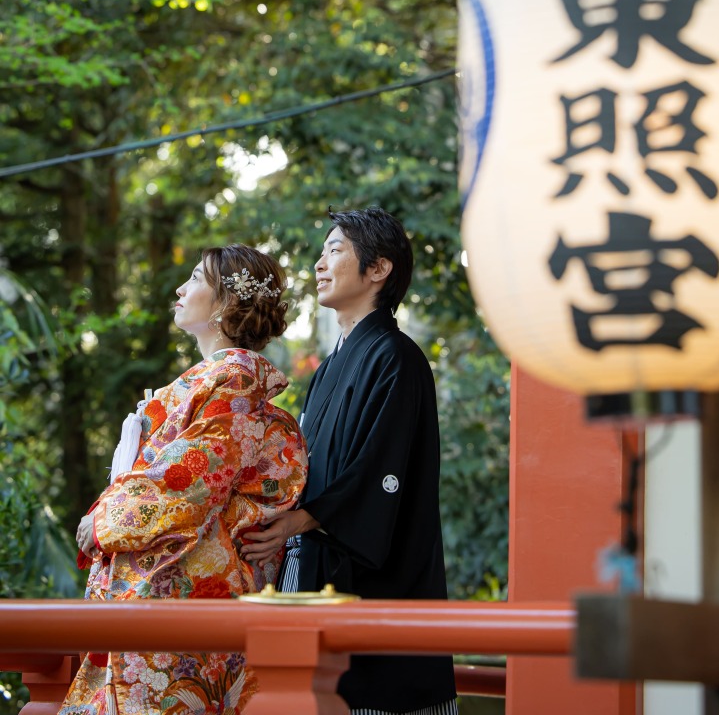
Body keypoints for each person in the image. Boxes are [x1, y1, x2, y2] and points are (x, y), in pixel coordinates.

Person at [60, 244, 307, 715]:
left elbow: (188, 480)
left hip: (187, 586)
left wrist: (106, 518)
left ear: (225, 303)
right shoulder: (212, 381)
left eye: (195, 278)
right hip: (174, 582)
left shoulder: (235, 381)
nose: (180, 287)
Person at [241, 208, 457, 715]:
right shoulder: (332, 365)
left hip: (381, 583)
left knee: (378, 692)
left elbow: (380, 467)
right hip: (319, 570)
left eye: (335, 250)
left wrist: (302, 518)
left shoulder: (396, 356)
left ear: (378, 269)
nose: (319, 263)